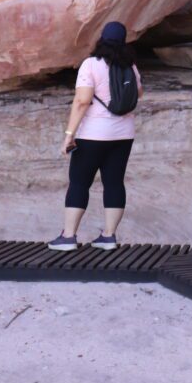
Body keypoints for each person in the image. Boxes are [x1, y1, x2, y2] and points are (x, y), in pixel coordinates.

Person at [48, 21, 142, 251]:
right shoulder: (130, 66)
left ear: (101, 39)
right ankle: (108, 236)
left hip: (92, 134)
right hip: (123, 134)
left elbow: (82, 101)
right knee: (114, 182)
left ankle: (68, 236)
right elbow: (138, 93)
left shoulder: (90, 64)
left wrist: (69, 134)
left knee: (80, 182)